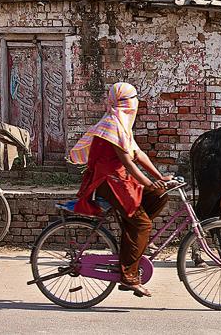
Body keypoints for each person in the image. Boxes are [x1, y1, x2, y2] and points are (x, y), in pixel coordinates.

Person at [69, 82, 172, 298]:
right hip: (109, 181)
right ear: (127, 103)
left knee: (159, 196)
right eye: (134, 99)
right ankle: (129, 277)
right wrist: (147, 182)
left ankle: (132, 238)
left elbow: (138, 153)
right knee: (142, 223)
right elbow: (128, 162)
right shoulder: (112, 125)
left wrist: (159, 177)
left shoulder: (121, 123)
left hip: (120, 179)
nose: (136, 103)